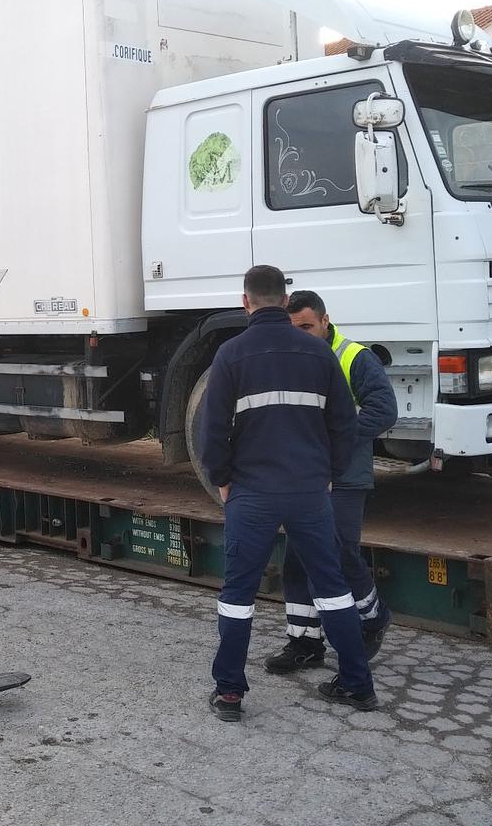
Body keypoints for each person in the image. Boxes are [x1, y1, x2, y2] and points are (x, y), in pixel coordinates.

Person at [203, 264, 377, 721]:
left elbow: (211, 430)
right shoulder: (318, 353)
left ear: (245, 302)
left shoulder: (230, 355)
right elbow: (343, 424)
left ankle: (229, 695)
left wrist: (222, 479)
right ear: (285, 301)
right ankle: (358, 684)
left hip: (252, 492)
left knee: (238, 594)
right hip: (309, 491)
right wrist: (330, 473)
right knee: (333, 588)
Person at [266, 290, 398, 674]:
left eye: (308, 326)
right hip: (306, 476)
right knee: (296, 558)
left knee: (339, 550)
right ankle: (304, 642)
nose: (302, 335)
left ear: (325, 321)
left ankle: (372, 617)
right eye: (294, 328)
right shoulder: (292, 357)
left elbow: (384, 410)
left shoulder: (354, 357)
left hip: (345, 475)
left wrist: (335, 434)